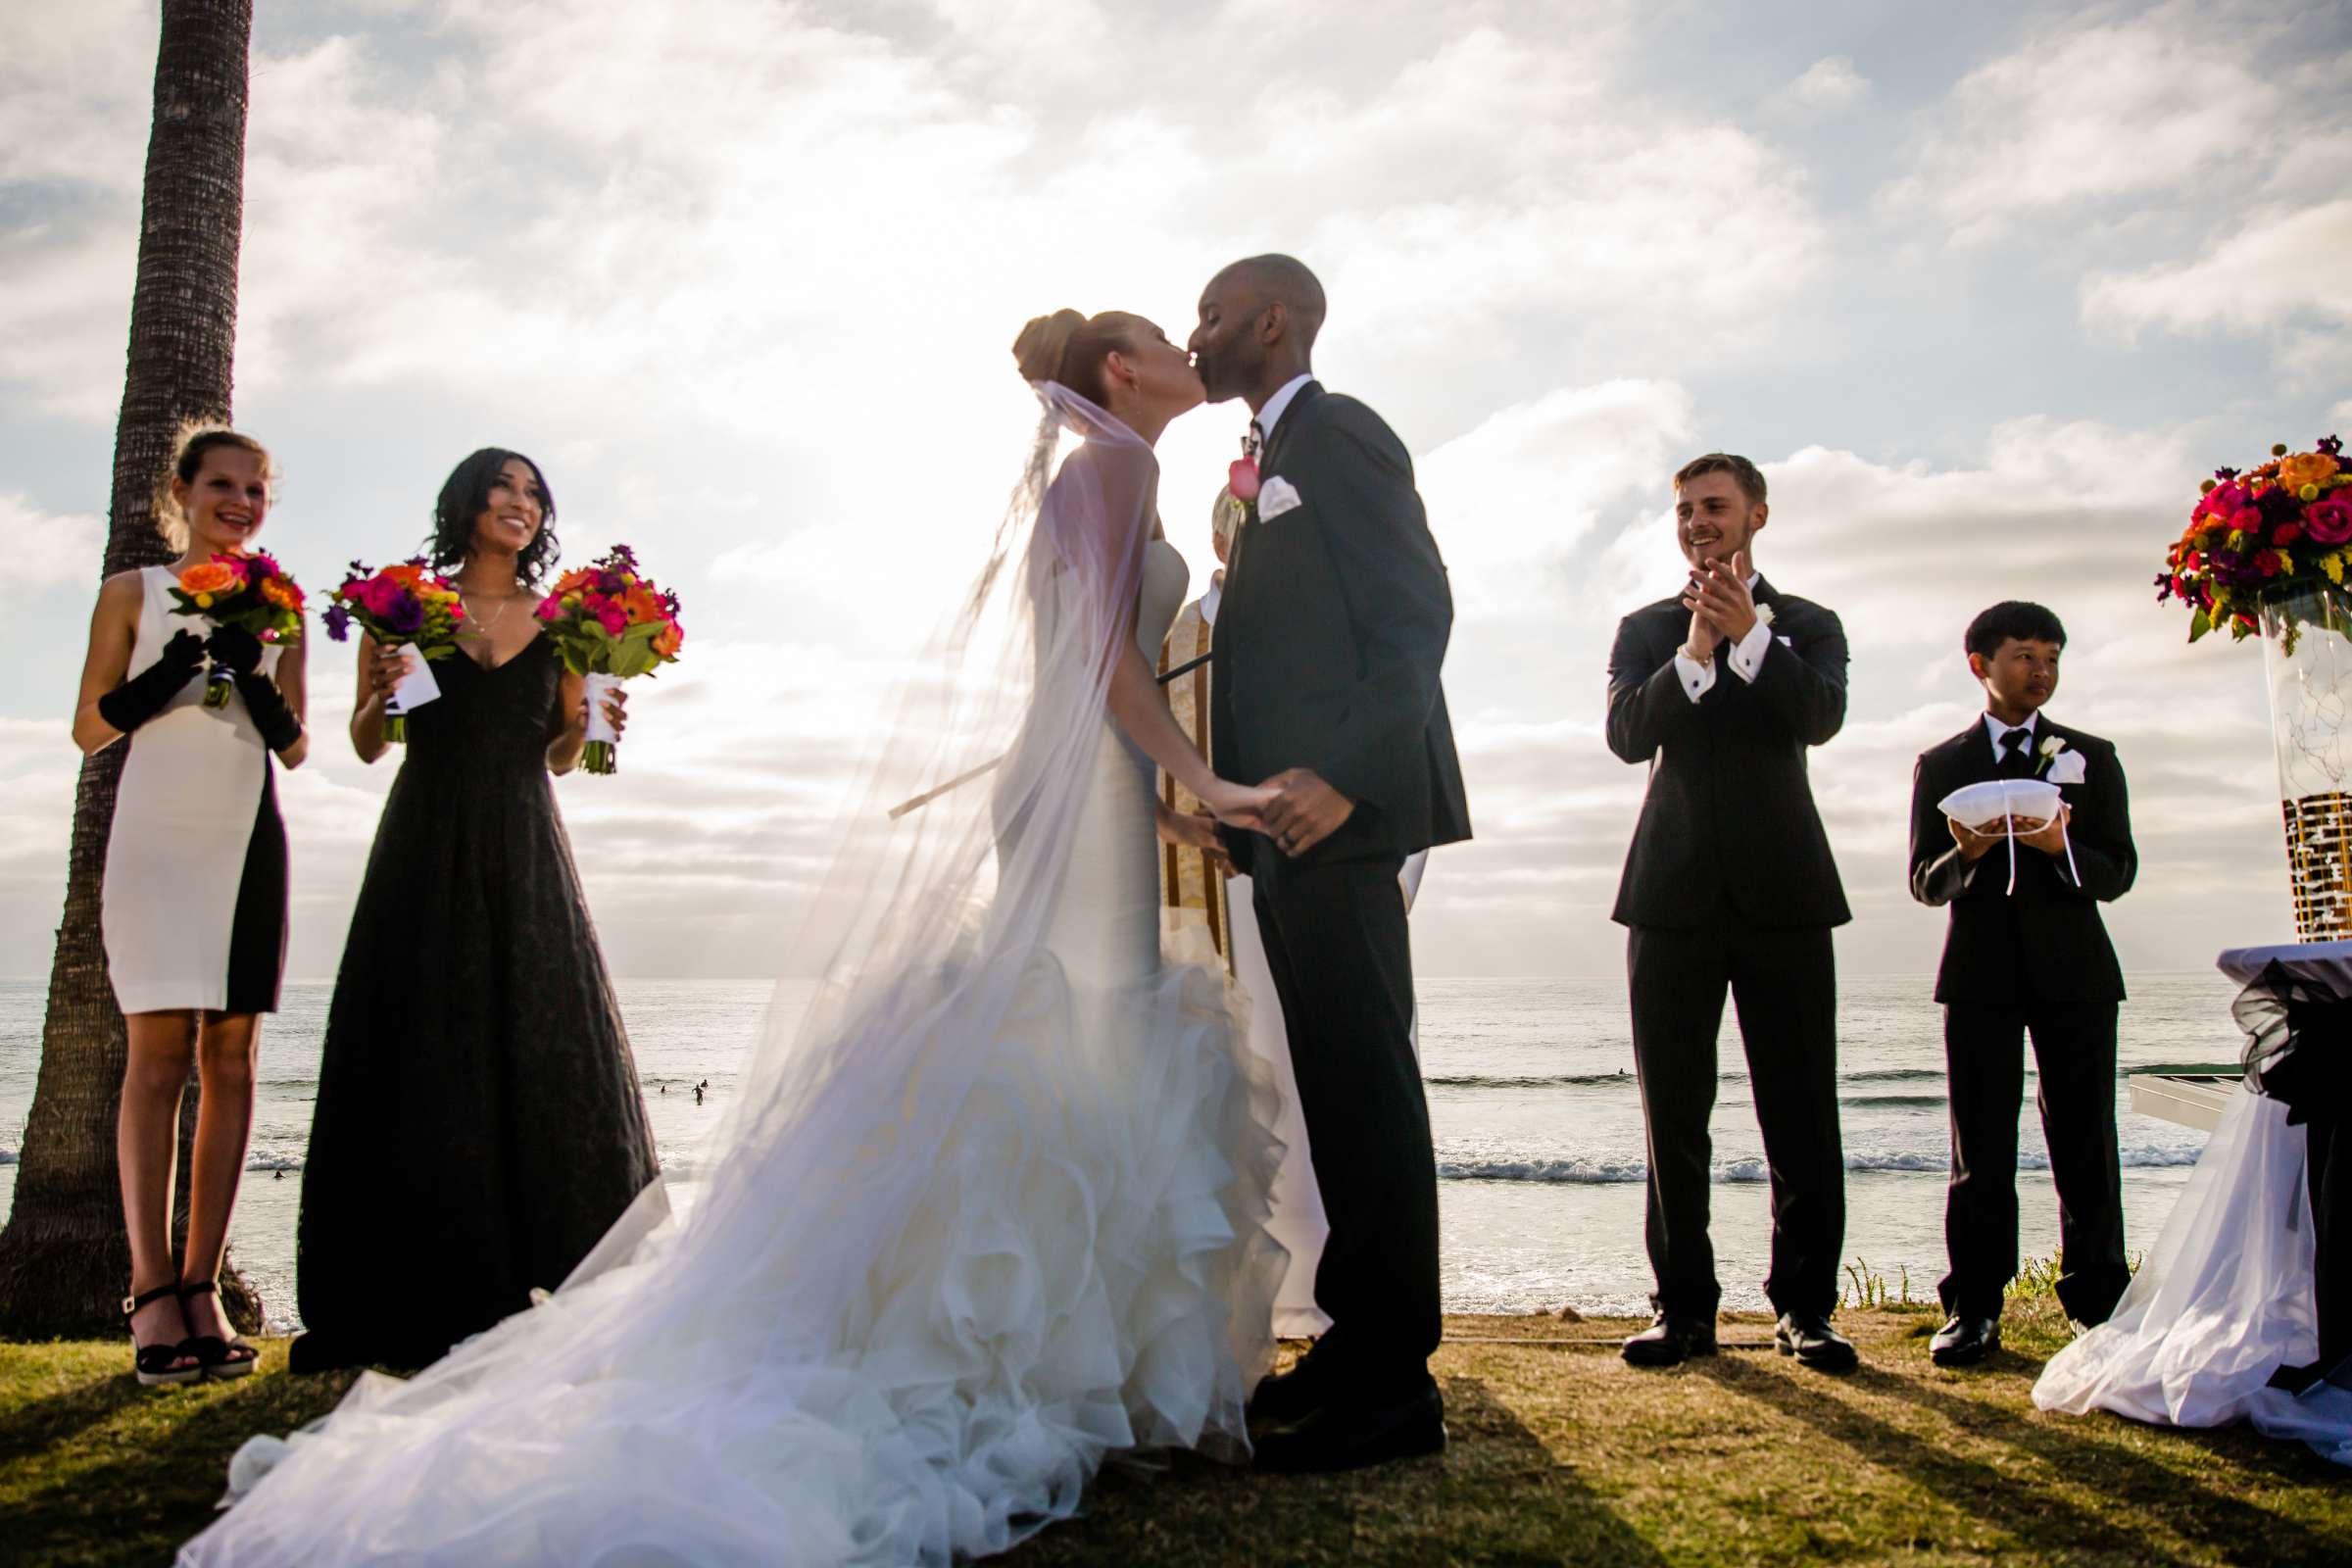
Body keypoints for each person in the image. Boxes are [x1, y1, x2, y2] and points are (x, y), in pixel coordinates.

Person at [180, 317, 1283, 1564]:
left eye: (528, 492)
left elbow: (1074, 685)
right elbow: (1092, 664)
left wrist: (1171, 797)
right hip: (1068, 785)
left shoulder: (1092, 471)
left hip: (1067, 779)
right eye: (1156, 336)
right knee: (1095, 1038)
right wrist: (1207, 777)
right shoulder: (1120, 465)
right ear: (1120, 375)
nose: (1185, 342)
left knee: (1078, 1042)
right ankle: (1068, 1362)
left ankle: (1059, 1355)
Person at [286, 449, 660, 1374]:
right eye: (504, 486)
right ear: (464, 503)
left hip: (525, 841)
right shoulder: (409, 606)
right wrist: (374, 696)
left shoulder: (568, 623)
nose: (520, 504)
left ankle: (559, 1270)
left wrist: (595, 721)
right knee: (422, 1033)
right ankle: (409, 1279)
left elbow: (566, 756)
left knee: (539, 1034)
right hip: (425, 834)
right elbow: (375, 744)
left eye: (534, 493)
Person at [1192, 253, 1471, 1471]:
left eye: (1210, 316)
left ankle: (1397, 1387)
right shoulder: (1264, 459)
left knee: (1370, 1088)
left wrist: (1347, 776)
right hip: (1287, 824)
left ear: (1270, 320)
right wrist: (1236, 800)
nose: (1197, 336)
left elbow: (1417, 614)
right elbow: (1267, 651)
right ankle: (1359, 1347)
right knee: (1336, 1090)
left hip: (1346, 817)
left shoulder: (1340, 434)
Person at [1605, 453, 1854, 1372]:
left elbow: (1820, 717)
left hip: (1786, 898)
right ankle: (1684, 1311)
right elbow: (1629, 735)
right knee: (1673, 1113)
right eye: (1685, 509)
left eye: (1715, 506)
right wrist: (1697, 655)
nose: (1697, 520)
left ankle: (1806, 1310)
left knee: (1800, 1112)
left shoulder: (1811, 626)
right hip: (1668, 901)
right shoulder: (1644, 629)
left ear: (1756, 515)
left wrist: (1753, 638)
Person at [74, 426, 307, 1386]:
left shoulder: (281, 605)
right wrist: (179, 665)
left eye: (256, 488)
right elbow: (91, 726)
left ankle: (203, 1287)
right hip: (156, 845)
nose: (241, 502)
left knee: (234, 1059)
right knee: (160, 1055)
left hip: (247, 840)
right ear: (182, 490)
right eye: (224, 484)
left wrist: (250, 664)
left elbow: (292, 746)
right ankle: (150, 1294)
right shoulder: (131, 591)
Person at [1908, 601, 2135, 1365]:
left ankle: (2099, 1304)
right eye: (2024, 655)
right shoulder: (1942, 765)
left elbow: (2119, 872)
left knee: (2085, 1141)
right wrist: (1966, 854)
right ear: (1981, 664)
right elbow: (1923, 882)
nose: (2040, 671)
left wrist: (2062, 846)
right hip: (1979, 977)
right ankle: (1973, 1307)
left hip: (2078, 974)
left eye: (2051, 657)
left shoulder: (2092, 758)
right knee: (1980, 1149)